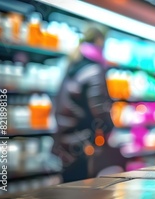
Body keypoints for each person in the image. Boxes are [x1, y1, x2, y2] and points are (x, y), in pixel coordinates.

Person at [52, 26, 114, 182]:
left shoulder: (74, 64)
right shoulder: (94, 69)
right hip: (81, 142)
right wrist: (109, 129)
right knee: (82, 188)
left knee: (69, 186)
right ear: (100, 41)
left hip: (64, 140)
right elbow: (99, 108)